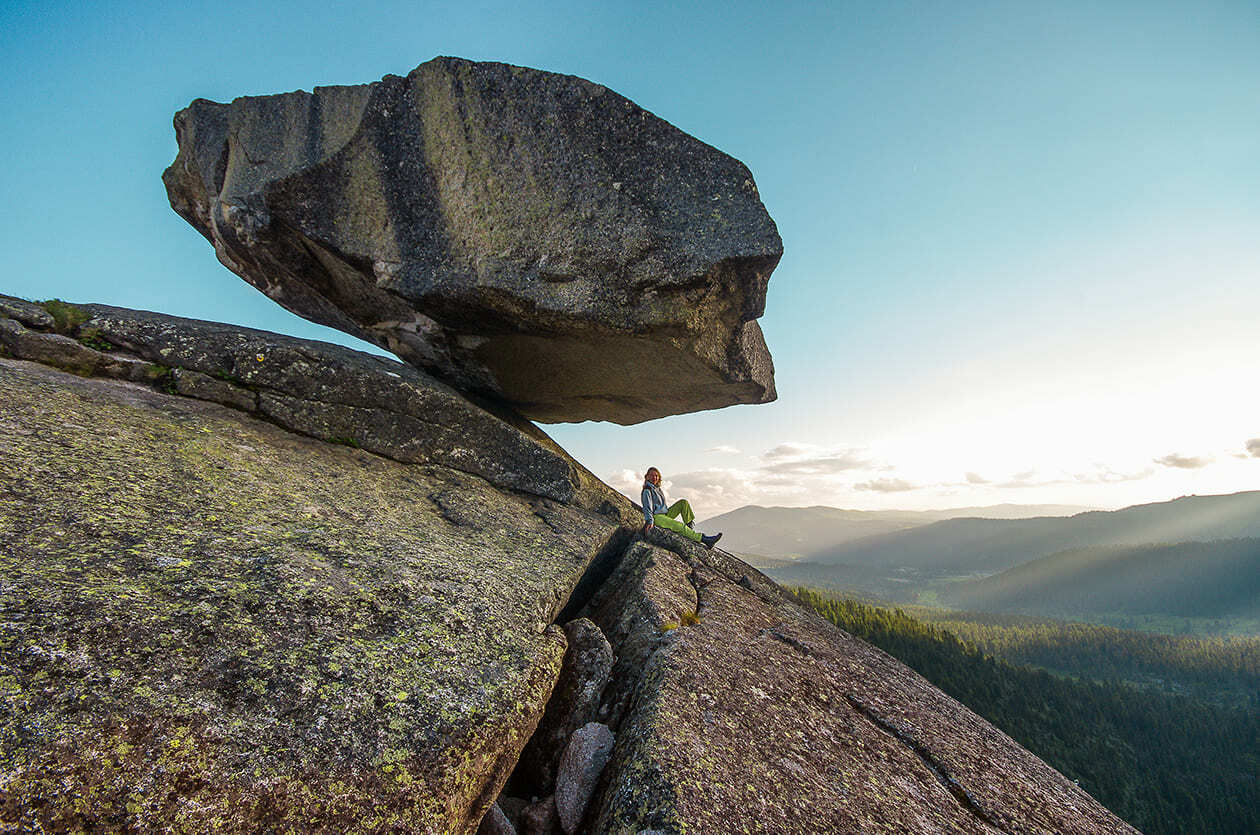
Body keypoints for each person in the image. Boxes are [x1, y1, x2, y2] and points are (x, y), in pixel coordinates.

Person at [640, 466, 722, 548]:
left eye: (656, 475)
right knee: (679, 526)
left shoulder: (657, 489)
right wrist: (650, 521)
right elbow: (647, 507)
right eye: (651, 475)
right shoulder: (647, 490)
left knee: (683, 503)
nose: (654, 477)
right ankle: (705, 539)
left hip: (665, 513)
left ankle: (690, 530)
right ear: (647, 477)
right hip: (656, 517)